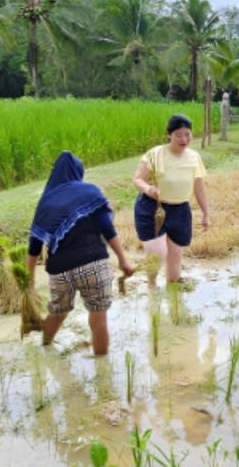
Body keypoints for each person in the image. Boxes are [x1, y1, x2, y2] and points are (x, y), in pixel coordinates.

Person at [27, 151, 134, 356]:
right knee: (98, 316)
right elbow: (107, 229)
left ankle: (45, 352)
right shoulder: (89, 192)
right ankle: (102, 368)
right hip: (93, 264)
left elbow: (34, 245)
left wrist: (29, 281)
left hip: (60, 271)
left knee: (58, 312)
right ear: (78, 172)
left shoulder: (46, 203)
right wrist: (123, 261)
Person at [133, 114, 210, 284]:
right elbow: (137, 179)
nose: (184, 139)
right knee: (157, 254)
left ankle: (173, 293)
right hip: (153, 208)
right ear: (169, 135)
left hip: (180, 209)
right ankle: (152, 291)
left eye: (187, 134)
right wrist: (148, 189)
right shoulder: (155, 154)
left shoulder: (194, 157)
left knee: (175, 254)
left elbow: (199, 186)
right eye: (179, 135)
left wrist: (206, 213)